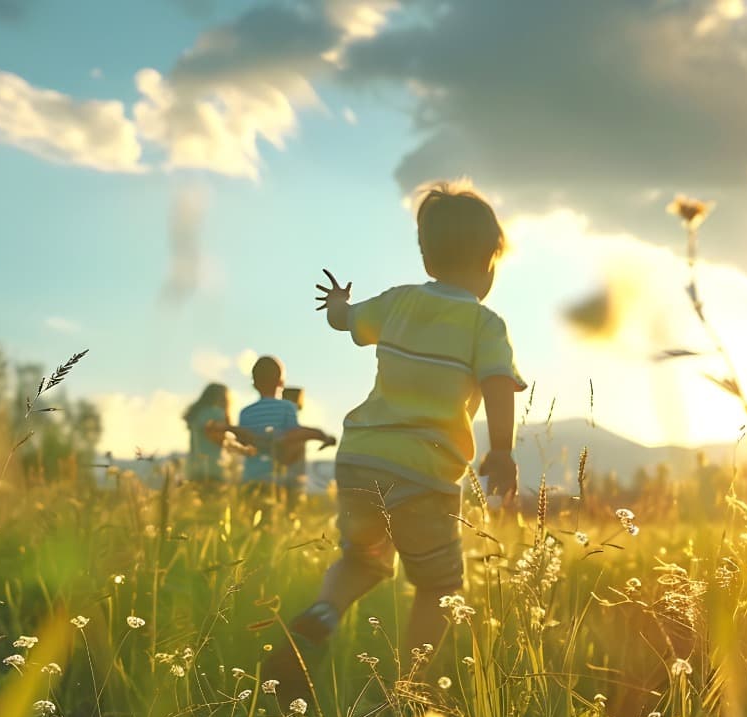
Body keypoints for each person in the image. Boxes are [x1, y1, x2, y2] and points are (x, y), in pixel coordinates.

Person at [278, 179, 526, 667]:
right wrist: (501, 450)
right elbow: (498, 385)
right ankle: (408, 688)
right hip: (423, 473)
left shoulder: (397, 302)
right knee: (439, 585)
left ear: (427, 257)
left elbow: (344, 320)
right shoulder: (484, 324)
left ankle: (324, 614)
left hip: (360, 460)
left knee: (360, 560)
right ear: (489, 261)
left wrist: (336, 302)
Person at [236, 356, 335, 503]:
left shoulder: (245, 413)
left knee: (253, 521)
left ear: (254, 383)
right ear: (281, 382)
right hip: (278, 479)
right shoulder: (287, 407)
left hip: (251, 478)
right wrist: (321, 436)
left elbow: (243, 443)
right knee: (279, 519)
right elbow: (294, 434)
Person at [182, 383, 232, 483]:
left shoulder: (196, 414)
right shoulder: (216, 412)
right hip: (212, 468)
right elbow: (220, 440)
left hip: (193, 468)